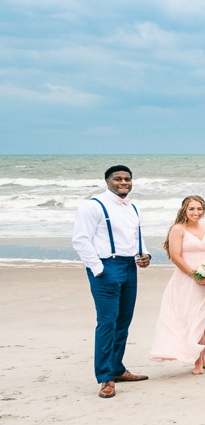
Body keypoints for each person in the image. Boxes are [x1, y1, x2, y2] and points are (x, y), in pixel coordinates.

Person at [72, 164, 152, 399]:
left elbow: (136, 235)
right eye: (118, 179)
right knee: (107, 323)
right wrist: (98, 269)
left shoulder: (132, 207)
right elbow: (80, 240)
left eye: (127, 179)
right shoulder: (92, 206)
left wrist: (144, 254)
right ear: (107, 181)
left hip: (129, 266)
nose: (124, 183)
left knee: (123, 321)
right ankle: (106, 378)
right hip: (106, 267)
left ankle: (117, 369)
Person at [151, 194, 205, 374]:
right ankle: (196, 362)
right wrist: (196, 275)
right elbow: (176, 257)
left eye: (199, 209)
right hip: (186, 280)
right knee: (191, 317)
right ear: (184, 209)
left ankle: (202, 359)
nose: (195, 212)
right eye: (192, 209)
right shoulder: (178, 229)